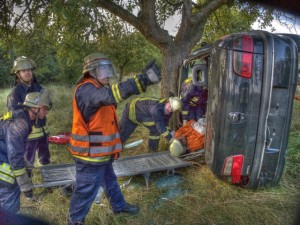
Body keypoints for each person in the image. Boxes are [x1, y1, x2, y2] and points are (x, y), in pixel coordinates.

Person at [67, 52, 161, 225]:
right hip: (89, 155)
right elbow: (112, 95)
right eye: (102, 71)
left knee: (110, 180)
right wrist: (142, 80)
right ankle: (75, 221)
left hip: (101, 153)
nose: (107, 75)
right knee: (85, 189)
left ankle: (118, 206)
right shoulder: (86, 90)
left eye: (108, 70)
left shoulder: (98, 87)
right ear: (91, 72)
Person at [0, 91, 51, 213]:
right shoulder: (20, 124)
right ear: (35, 108)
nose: (46, 112)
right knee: (9, 183)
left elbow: (15, 148)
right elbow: (15, 156)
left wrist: (26, 163)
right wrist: (25, 185)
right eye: (44, 108)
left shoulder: (22, 118)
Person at [6, 56, 51, 177]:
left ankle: (48, 182)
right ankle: (27, 188)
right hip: (28, 134)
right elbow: (14, 115)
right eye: (24, 70)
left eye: (29, 70)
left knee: (45, 159)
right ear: (18, 74)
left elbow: (48, 105)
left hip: (42, 130)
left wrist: (47, 99)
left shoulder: (38, 87)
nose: (28, 73)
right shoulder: (14, 93)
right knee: (27, 161)